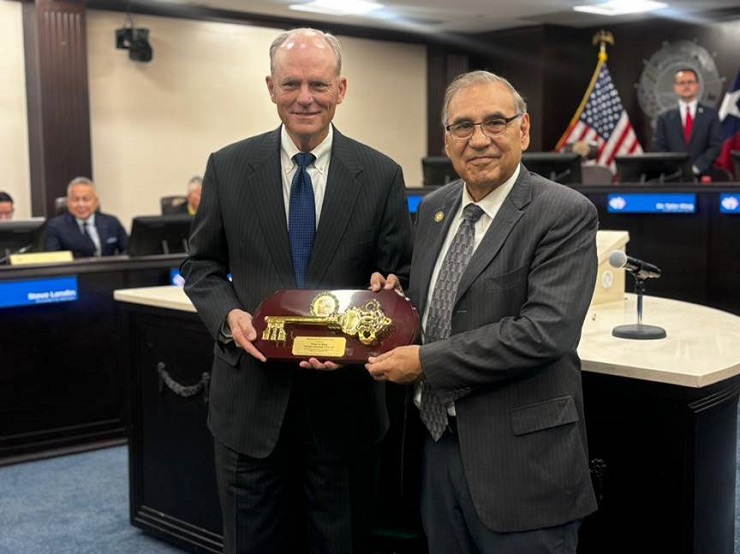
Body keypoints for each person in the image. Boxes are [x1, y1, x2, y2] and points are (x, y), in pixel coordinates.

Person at [179, 28, 413, 554]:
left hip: (345, 408)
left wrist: (386, 294)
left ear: (341, 88)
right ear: (270, 87)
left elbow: (400, 275)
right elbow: (202, 265)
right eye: (291, 84)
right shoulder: (228, 167)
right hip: (249, 407)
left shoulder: (380, 175)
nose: (304, 97)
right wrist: (227, 317)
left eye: (318, 84)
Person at [366, 70, 599, 554]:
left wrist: (425, 363)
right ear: (446, 139)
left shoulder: (563, 212)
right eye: (463, 126)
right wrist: (393, 302)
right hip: (435, 447)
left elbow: (544, 332)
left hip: (521, 464)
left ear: (524, 130)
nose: (479, 140)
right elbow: (441, 305)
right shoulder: (434, 208)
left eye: (495, 122)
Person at [653, 68, 723, 177]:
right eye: (681, 83)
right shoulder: (664, 118)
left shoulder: (711, 115)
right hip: (672, 177)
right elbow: (659, 147)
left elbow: (715, 146)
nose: (686, 86)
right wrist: (675, 169)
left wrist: (697, 167)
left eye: (690, 82)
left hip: (703, 176)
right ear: (675, 88)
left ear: (697, 86)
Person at [45, 177, 128, 257]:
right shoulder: (56, 227)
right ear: (68, 203)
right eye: (75, 200)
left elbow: (128, 251)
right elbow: (53, 260)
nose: (81, 204)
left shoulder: (112, 222)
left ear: (96, 202)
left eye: (86, 199)